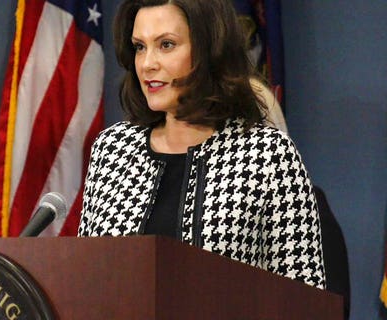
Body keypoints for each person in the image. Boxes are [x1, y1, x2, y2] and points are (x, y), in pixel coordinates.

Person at [77, 0, 326, 289]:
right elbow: (89, 283)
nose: (147, 64)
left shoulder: (268, 156)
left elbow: (304, 297)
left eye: (166, 45)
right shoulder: (114, 150)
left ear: (210, 50)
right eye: (140, 47)